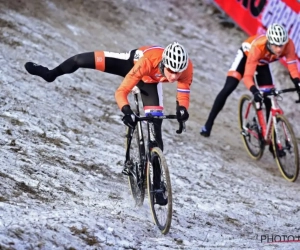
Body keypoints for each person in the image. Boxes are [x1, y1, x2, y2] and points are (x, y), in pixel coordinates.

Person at [24, 42, 193, 205]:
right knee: (79, 60)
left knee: (155, 132)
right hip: (131, 65)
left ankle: (157, 186)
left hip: (150, 83)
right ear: (164, 63)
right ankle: (49, 74)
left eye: (178, 72)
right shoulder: (148, 62)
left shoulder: (185, 68)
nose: (173, 76)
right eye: (171, 71)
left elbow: (183, 92)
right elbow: (121, 92)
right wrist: (126, 111)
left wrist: (182, 110)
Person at [200, 23, 300, 144]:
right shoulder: (258, 47)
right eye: (276, 45)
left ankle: (270, 139)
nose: (279, 49)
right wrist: (254, 90)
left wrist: (298, 84)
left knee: (269, 99)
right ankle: (208, 124)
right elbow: (247, 77)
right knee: (229, 87)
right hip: (247, 57)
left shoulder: (289, 45)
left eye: (281, 45)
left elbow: (293, 69)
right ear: (269, 42)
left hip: (262, 63)